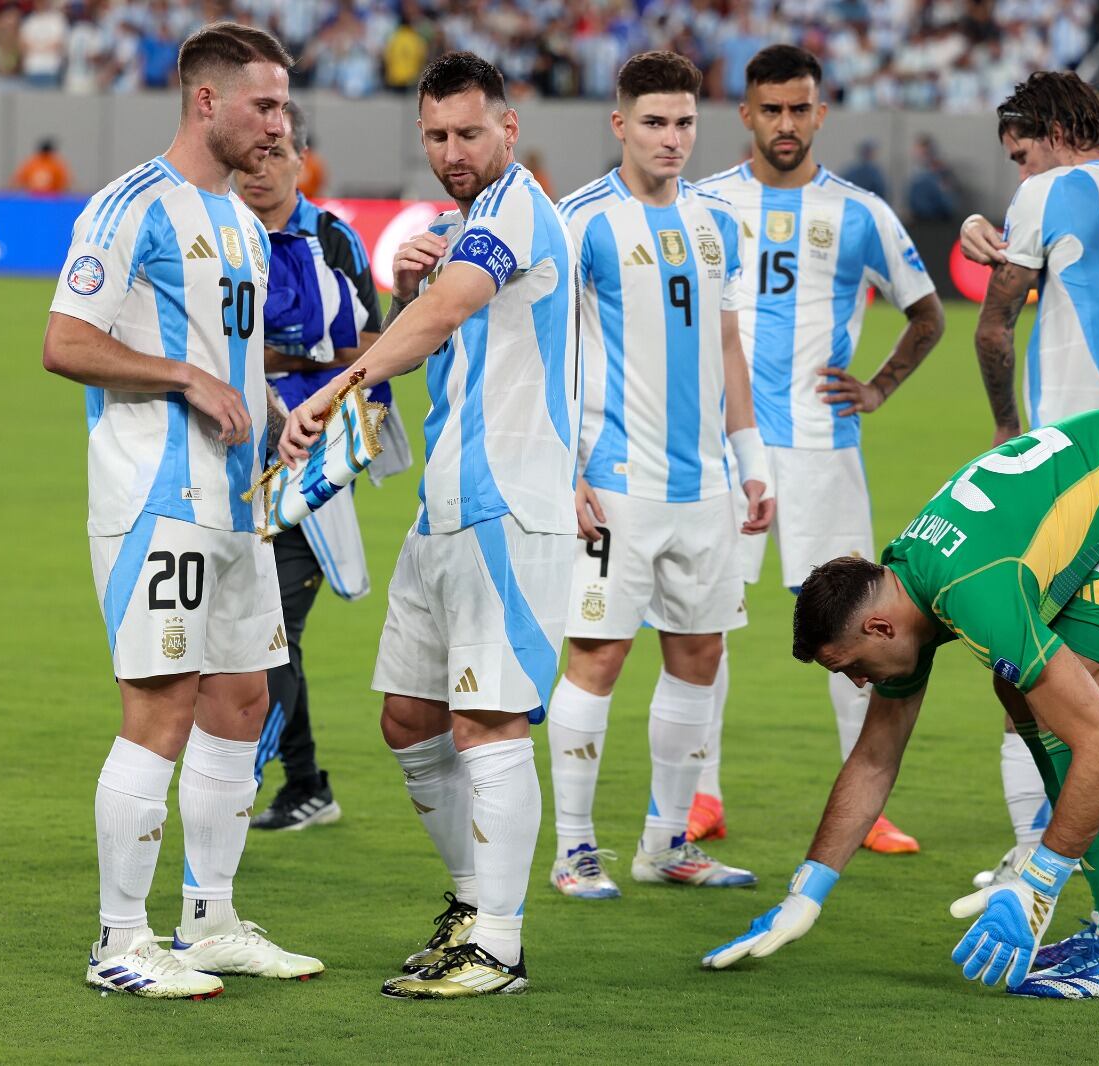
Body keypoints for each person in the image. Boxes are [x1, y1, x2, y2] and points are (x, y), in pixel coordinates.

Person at [704, 405, 1099, 998]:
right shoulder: (908, 579)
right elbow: (874, 758)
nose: (857, 683)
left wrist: (1040, 879)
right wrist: (806, 893)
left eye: (850, 667)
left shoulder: (972, 591)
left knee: (1073, 718)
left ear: (878, 629)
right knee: (1025, 691)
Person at [278, 51, 577, 999]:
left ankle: (500, 944)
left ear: (509, 128)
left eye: (469, 133)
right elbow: (429, 325)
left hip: (510, 504)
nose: (453, 151)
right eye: (437, 136)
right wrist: (406, 290)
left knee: (486, 725)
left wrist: (337, 383)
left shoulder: (520, 206)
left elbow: (448, 314)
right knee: (410, 720)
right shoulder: (461, 224)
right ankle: (468, 905)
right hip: (443, 507)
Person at [41, 22, 322, 1000]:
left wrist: (279, 415)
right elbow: (65, 340)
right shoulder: (131, 208)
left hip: (239, 502)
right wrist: (183, 377)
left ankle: (208, 919)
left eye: (284, 105)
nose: (280, 125)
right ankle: (119, 940)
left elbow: (233, 360)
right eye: (266, 105)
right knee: (159, 707)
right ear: (208, 102)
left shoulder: (243, 220)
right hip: (157, 498)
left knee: (244, 701)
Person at [696, 44, 943, 854]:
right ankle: (700, 795)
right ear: (747, 114)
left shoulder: (861, 213)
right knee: (705, 620)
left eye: (800, 108)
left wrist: (877, 387)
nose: (787, 124)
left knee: (860, 620)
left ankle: (866, 801)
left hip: (822, 448)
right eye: (771, 109)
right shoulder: (704, 204)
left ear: (821, 112)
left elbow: (927, 314)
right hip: (724, 450)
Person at [544, 51, 772, 901]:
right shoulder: (581, 224)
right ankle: (574, 850)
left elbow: (725, 346)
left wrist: (750, 463)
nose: (671, 139)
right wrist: (565, 473)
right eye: (654, 123)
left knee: (699, 656)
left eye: (683, 123)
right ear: (620, 125)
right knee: (597, 657)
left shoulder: (716, 224)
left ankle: (666, 842)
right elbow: (554, 356)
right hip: (617, 483)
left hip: (703, 487)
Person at [959, 71, 1099, 885]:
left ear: (1053, 129)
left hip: (1081, 462)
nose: (1021, 173)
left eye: (1022, 155)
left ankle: (1036, 844)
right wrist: (1004, 233)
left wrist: (1006, 428)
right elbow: (1096, 277)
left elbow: (993, 327)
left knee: (1025, 664)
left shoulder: (1049, 191)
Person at [236, 100, 407, 831]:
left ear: (301, 159)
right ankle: (304, 784)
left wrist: (280, 359)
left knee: (273, 627)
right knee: (254, 626)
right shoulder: (222, 232)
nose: (260, 168)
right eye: (250, 155)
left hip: (310, 466)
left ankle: (264, 776)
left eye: (274, 154)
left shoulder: (331, 238)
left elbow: (374, 350)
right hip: (233, 457)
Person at [907, 134, 959, 221]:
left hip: (935, 221)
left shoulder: (939, 171)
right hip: (919, 218)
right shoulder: (918, 171)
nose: (915, 152)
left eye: (919, 149)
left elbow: (946, 200)